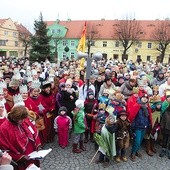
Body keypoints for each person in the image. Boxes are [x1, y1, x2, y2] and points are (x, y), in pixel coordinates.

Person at [0, 105, 41, 170]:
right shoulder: (4, 128)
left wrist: (38, 145)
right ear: (14, 118)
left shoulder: (24, 119)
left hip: (33, 152)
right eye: (21, 119)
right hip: (22, 157)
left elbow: (34, 131)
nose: (23, 121)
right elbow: (5, 149)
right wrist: (19, 157)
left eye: (24, 119)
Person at [128, 93, 152, 161]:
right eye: (143, 98)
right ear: (140, 98)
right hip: (137, 126)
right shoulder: (137, 105)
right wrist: (132, 125)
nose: (145, 99)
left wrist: (149, 124)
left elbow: (148, 117)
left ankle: (137, 150)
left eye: (146, 98)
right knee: (137, 141)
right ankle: (133, 153)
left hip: (144, 126)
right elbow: (132, 116)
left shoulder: (147, 107)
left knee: (141, 140)